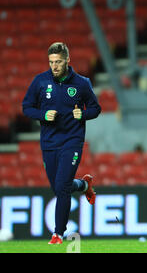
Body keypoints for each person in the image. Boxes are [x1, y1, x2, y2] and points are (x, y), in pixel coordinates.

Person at [22, 42, 101, 244]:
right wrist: (43, 114)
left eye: (58, 62)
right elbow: (26, 107)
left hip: (72, 141)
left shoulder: (82, 83)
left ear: (67, 61)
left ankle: (58, 234)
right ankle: (84, 185)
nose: (54, 66)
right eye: (51, 62)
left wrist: (82, 114)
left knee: (62, 186)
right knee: (58, 187)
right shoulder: (40, 82)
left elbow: (95, 108)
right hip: (49, 142)